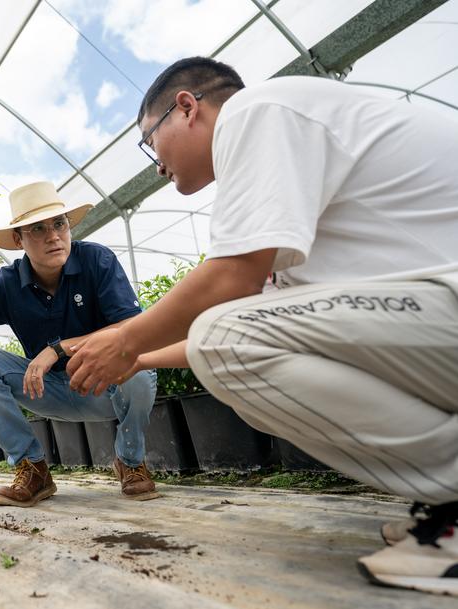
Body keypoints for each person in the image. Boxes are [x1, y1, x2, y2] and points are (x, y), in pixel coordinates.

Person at [65, 56, 458, 596]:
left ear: (187, 107)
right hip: (434, 317)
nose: (156, 166)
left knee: (222, 339)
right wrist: (136, 358)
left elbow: (232, 288)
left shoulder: (257, 111)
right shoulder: (277, 183)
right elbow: (245, 322)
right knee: (222, 343)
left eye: (149, 141)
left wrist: (127, 337)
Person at [0, 181, 158, 507]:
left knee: (140, 368)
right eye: (38, 228)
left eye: (59, 224)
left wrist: (58, 348)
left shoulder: (97, 261)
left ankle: (130, 461)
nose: (53, 235)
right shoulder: (5, 285)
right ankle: (33, 467)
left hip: (107, 385)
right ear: (18, 240)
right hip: (49, 390)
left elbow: (130, 328)